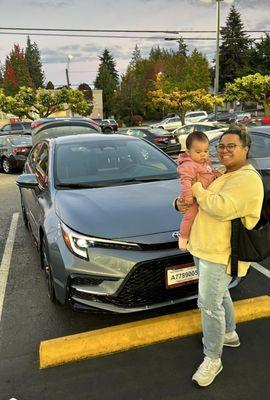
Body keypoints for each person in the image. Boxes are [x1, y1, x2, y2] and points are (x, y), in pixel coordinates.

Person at [177, 125, 264, 387]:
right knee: (220, 295)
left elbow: (221, 207)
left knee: (208, 304)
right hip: (202, 247)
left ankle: (213, 357)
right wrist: (181, 201)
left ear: (245, 149)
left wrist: (197, 191)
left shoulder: (247, 179)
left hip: (220, 253)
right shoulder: (223, 173)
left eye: (231, 146)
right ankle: (229, 333)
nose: (223, 150)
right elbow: (195, 200)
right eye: (221, 146)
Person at [177, 131, 221, 251]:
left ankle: (192, 237)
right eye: (198, 152)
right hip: (192, 198)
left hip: (203, 196)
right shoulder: (188, 165)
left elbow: (208, 174)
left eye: (206, 151)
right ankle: (183, 237)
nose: (203, 155)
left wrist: (215, 174)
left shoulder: (205, 162)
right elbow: (185, 182)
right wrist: (188, 198)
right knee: (189, 217)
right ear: (188, 152)